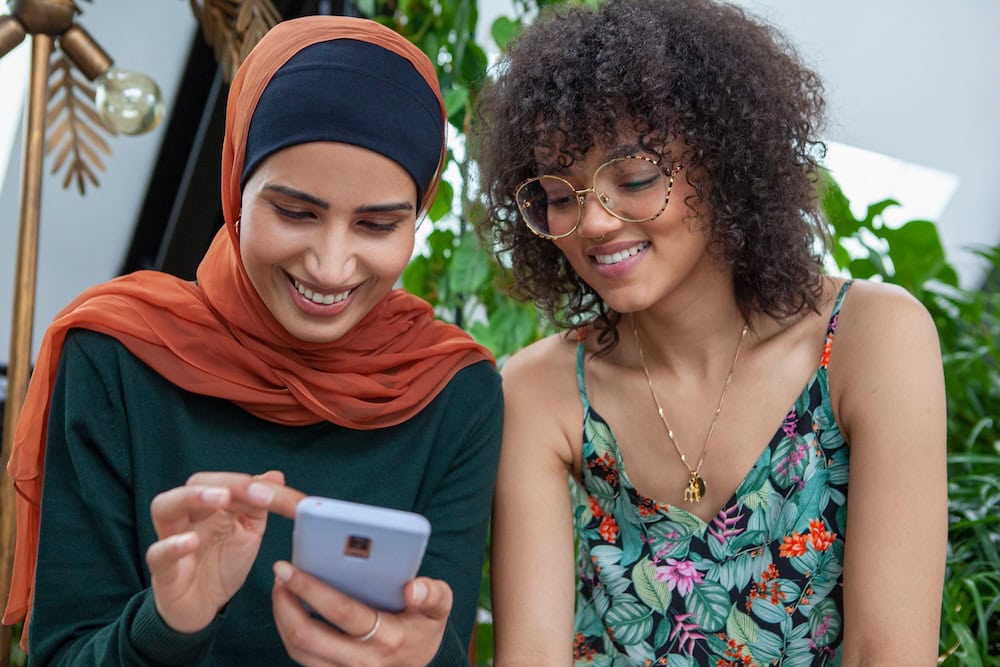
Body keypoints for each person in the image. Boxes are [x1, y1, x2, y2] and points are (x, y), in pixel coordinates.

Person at [3, 15, 502, 666]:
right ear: (236, 187)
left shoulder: (451, 390)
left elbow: (438, 642)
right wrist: (167, 624)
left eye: (376, 225)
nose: (330, 265)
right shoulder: (116, 355)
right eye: (296, 212)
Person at [472, 0, 947, 664]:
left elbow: (889, 652)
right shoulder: (539, 391)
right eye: (559, 194)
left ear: (724, 157)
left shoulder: (872, 341)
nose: (596, 223)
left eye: (634, 177)